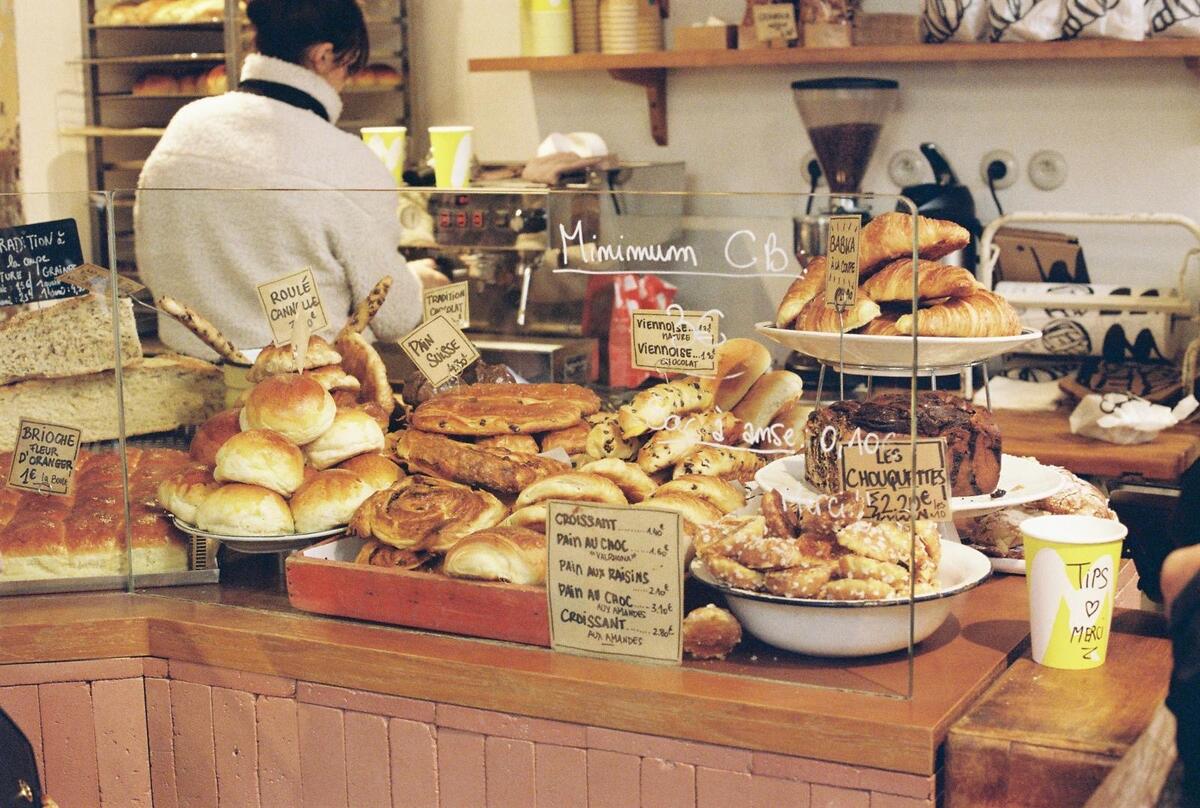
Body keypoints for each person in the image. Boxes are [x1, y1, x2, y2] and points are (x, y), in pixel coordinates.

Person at [135, 0, 442, 357]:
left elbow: (153, 260)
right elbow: (395, 316)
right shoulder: (347, 160)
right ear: (324, 57)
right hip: (305, 394)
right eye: (349, 65)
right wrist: (420, 283)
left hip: (189, 380)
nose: (347, 81)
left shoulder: (187, 125)